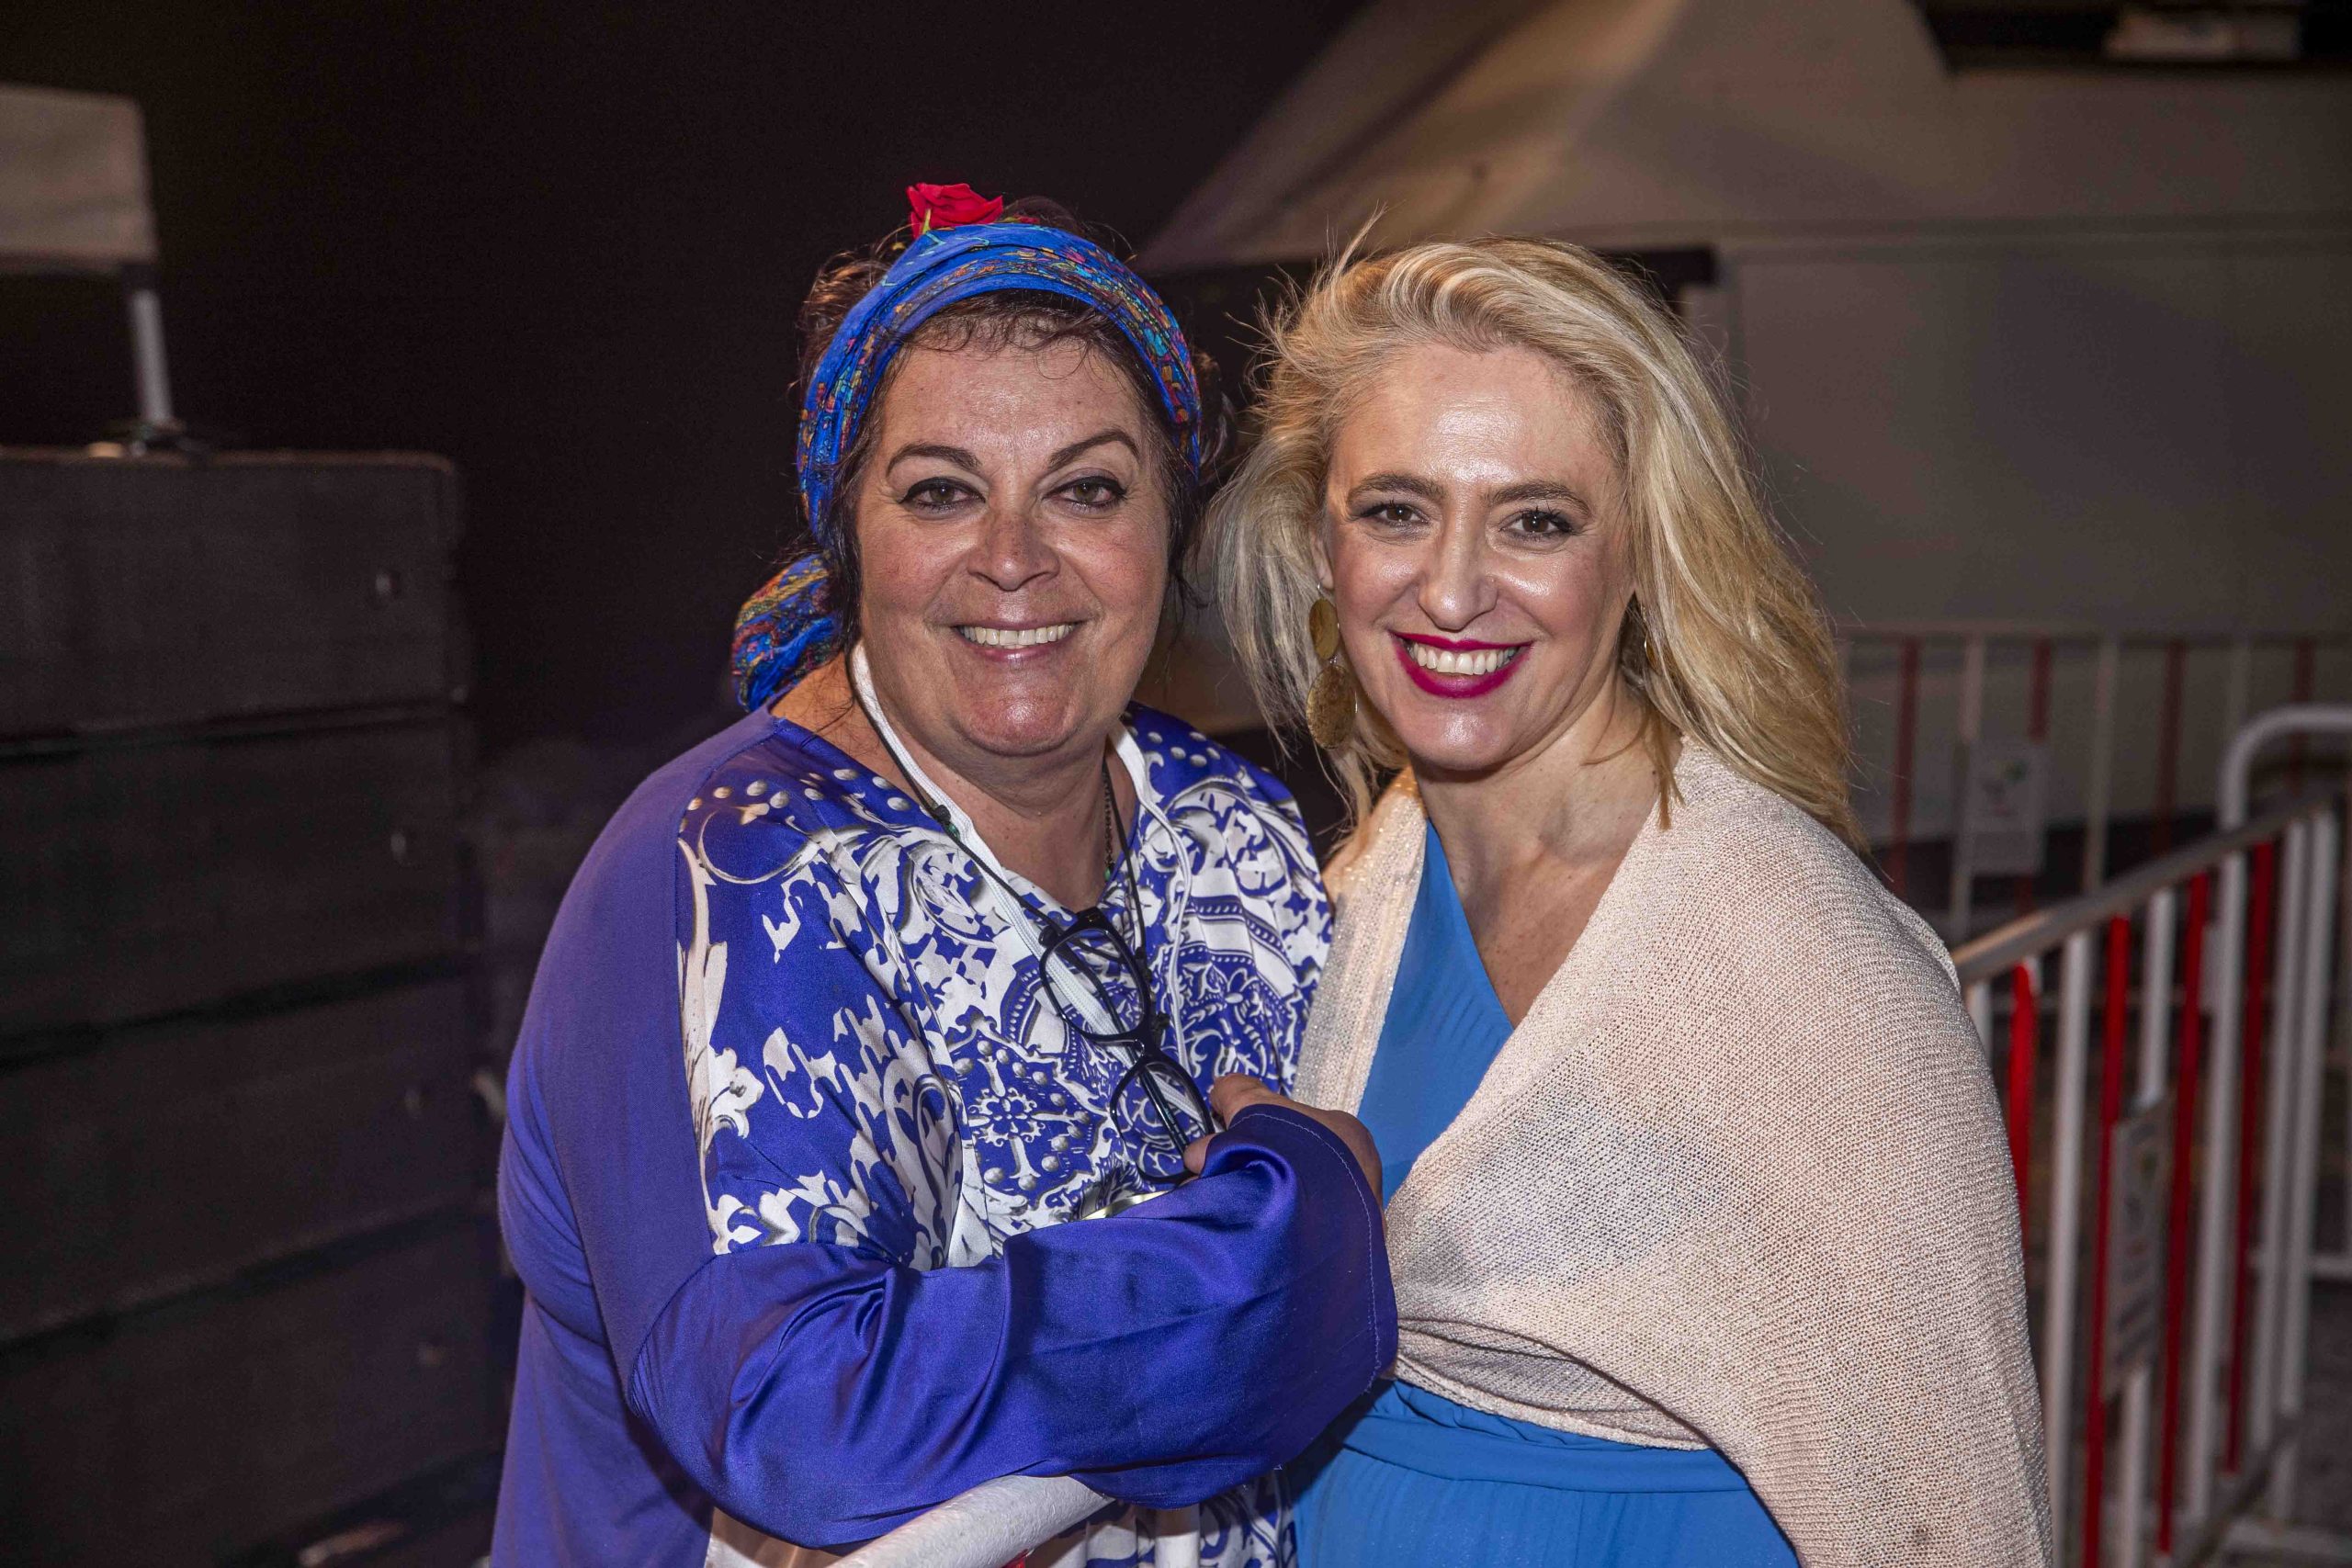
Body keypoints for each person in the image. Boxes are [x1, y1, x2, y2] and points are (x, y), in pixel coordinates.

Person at [492, 185, 1393, 1568]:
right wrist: (1281, 1242)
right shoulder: (727, 871)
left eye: (1087, 489)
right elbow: (796, 1417)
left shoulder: (1230, 826)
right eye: (940, 492)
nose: (1014, 559)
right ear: (849, 531)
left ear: (1172, 520)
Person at [1209, 236, 2052, 1566]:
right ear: (1322, 543)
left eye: (1536, 520)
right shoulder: (1365, 882)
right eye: (1397, 511)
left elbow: (1962, 1512)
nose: (1450, 589)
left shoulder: (1796, 960)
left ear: (1645, 558)